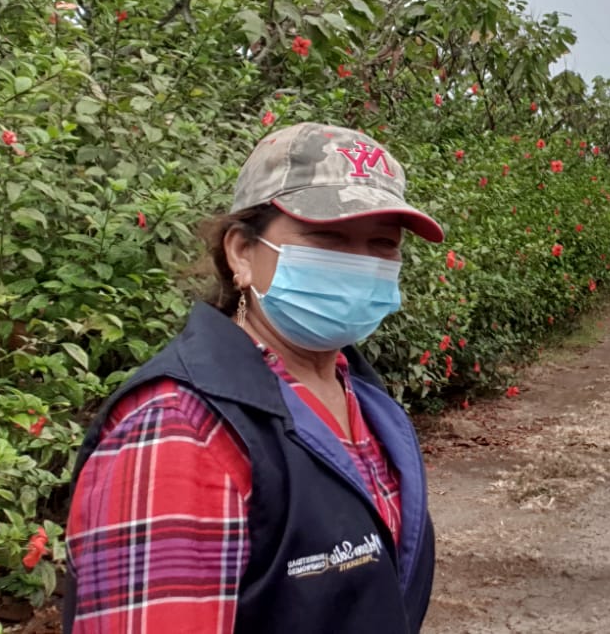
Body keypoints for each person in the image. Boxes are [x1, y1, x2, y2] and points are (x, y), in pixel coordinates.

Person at [63, 122, 441, 633]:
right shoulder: (181, 429)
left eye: (382, 244)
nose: (359, 264)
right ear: (241, 252)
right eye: (327, 238)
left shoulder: (365, 400)